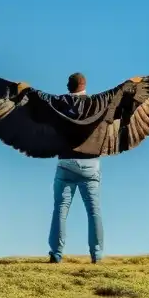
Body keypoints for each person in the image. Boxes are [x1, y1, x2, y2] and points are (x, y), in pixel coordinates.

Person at [47, 71, 103, 264]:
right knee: (93, 211)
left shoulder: (57, 103)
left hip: (66, 164)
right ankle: (96, 254)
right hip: (91, 164)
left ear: (68, 86)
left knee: (60, 209)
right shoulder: (97, 103)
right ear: (84, 85)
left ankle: (56, 253)